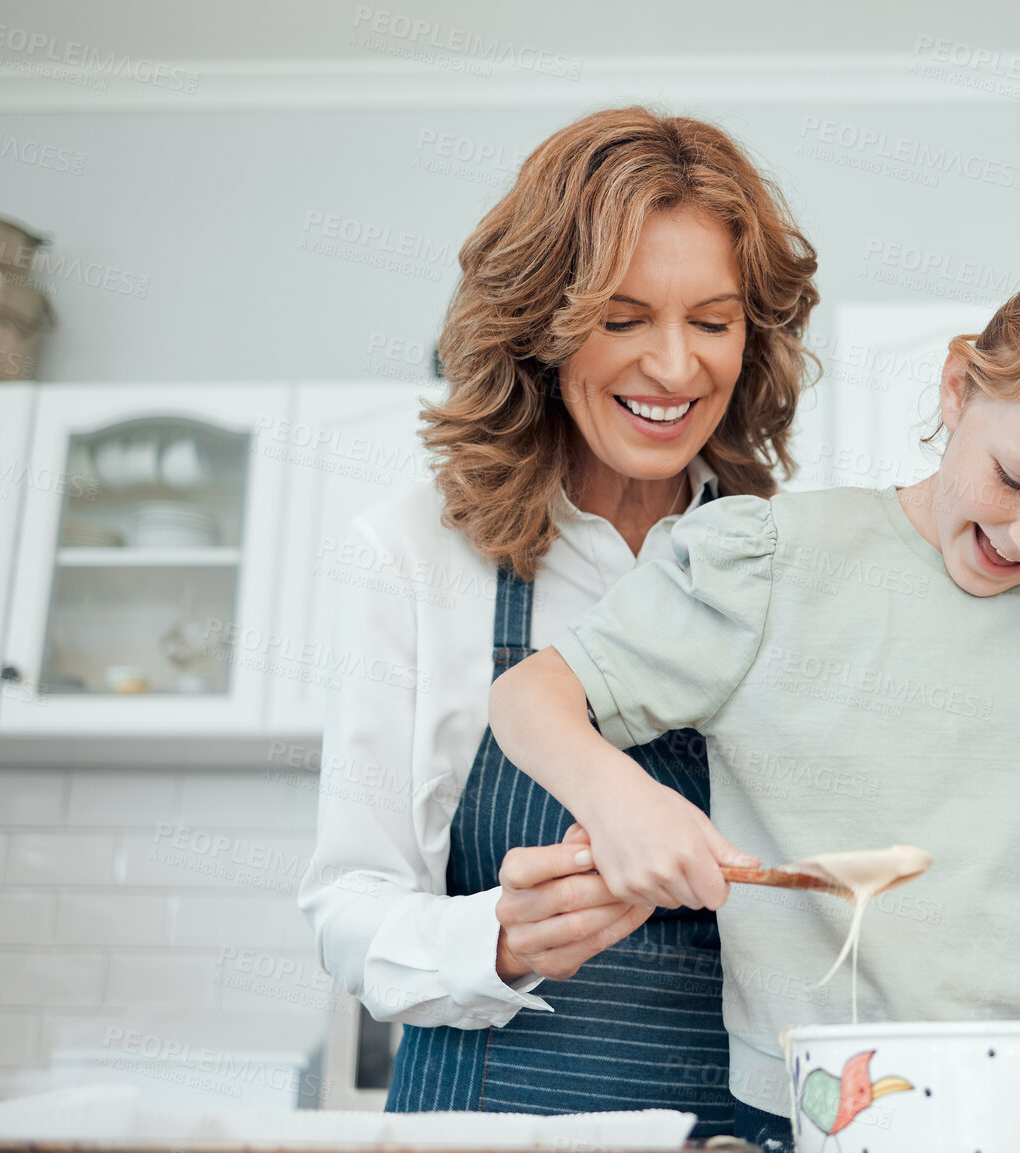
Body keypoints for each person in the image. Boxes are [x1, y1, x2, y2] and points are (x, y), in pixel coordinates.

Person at [488, 261, 1020, 1147]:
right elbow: (532, 697)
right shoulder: (775, 563)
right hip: (825, 1101)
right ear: (957, 389)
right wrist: (623, 800)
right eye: (1015, 480)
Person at [297, 106, 817, 1138]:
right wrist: (499, 934)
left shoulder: (788, 565)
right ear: (540, 324)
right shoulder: (414, 551)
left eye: (711, 323)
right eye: (622, 320)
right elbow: (349, 905)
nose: (674, 370)